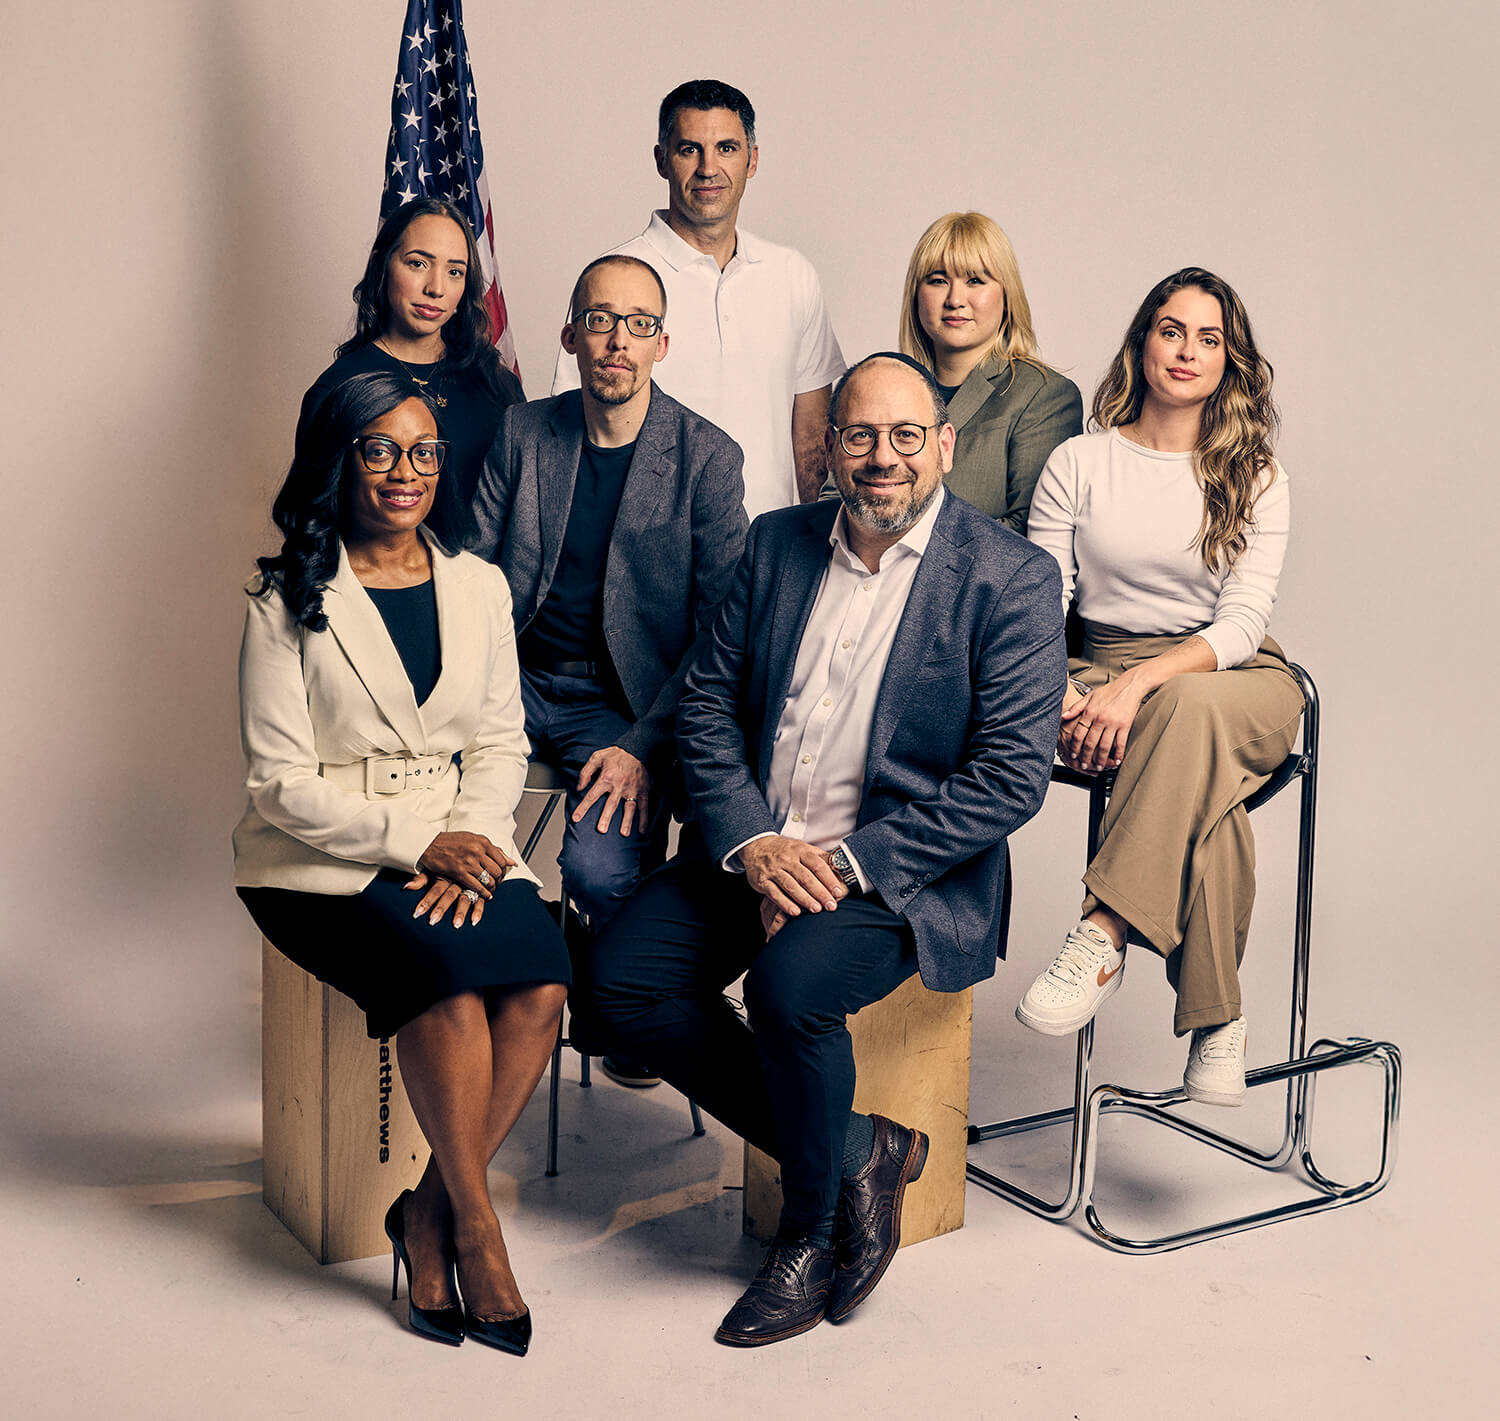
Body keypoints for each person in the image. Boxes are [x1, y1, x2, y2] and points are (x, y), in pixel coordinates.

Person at [584, 353, 1065, 1346]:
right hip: (760, 844)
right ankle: (861, 1148)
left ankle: (806, 1234)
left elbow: (1010, 776)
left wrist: (841, 866)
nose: (880, 457)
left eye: (903, 436)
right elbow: (708, 703)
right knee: (615, 985)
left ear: (945, 445)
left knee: (790, 990)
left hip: (899, 871)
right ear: (830, 450)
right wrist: (757, 842)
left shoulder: (1009, 576)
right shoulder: (777, 545)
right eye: (858, 435)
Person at [234, 372, 568, 1355]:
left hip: (460, 836)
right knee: (450, 989)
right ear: (338, 459)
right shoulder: (282, 593)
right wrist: (415, 844)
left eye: (423, 452)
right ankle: (476, 1226)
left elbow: (502, 741)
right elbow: (277, 783)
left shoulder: (479, 583)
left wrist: (464, 840)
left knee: (543, 982)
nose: (404, 472)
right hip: (317, 861)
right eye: (378, 449)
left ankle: (426, 1210)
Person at [1019, 267, 1303, 1108]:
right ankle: (1220, 1019)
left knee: (1182, 711)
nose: (1187, 350)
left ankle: (1103, 929)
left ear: (1229, 361)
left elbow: (1241, 624)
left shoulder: (1257, 475)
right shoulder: (1081, 460)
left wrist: (1137, 685)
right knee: (1207, 803)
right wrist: (1060, 689)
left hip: (1228, 675)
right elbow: (1042, 600)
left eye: (1209, 338)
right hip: (1100, 665)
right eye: (1171, 330)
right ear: (1143, 343)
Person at [469, 254, 748, 935]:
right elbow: (469, 575)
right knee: (426, 819)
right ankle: (493, 987)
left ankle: (603, 1021)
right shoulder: (524, 432)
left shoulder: (707, 459)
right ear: (572, 337)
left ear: (662, 343)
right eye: (600, 320)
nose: (618, 340)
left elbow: (721, 637)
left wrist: (646, 744)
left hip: (621, 708)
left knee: (598, 874)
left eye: (638, 323)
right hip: (512, 679)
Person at [551, 78, 845, 518]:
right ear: (661, 160)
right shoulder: (614, 278)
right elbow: (570, 431)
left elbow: (810, 437)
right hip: (651, 555)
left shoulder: (791, 274)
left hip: (770, 546)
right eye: (689, 149)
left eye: (727, 148)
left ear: (752, 160)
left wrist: (799, 539)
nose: (709, 168)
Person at [298, 197, 524, 547]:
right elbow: (312, 528)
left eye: (454, 272)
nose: (436, 288)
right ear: (382, 264)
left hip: (488, 591)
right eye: (418, 263)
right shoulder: (339, 387)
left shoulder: (498, 384)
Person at [898, 211, 1082, 532]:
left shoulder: (1044, 395)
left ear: (1006, 295)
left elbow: (1030, 529)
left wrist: (901, 549)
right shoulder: (886, 388)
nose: (955, 299)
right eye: (938, 280)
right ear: (916, 294)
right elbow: (833, 501)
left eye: (975, 280)